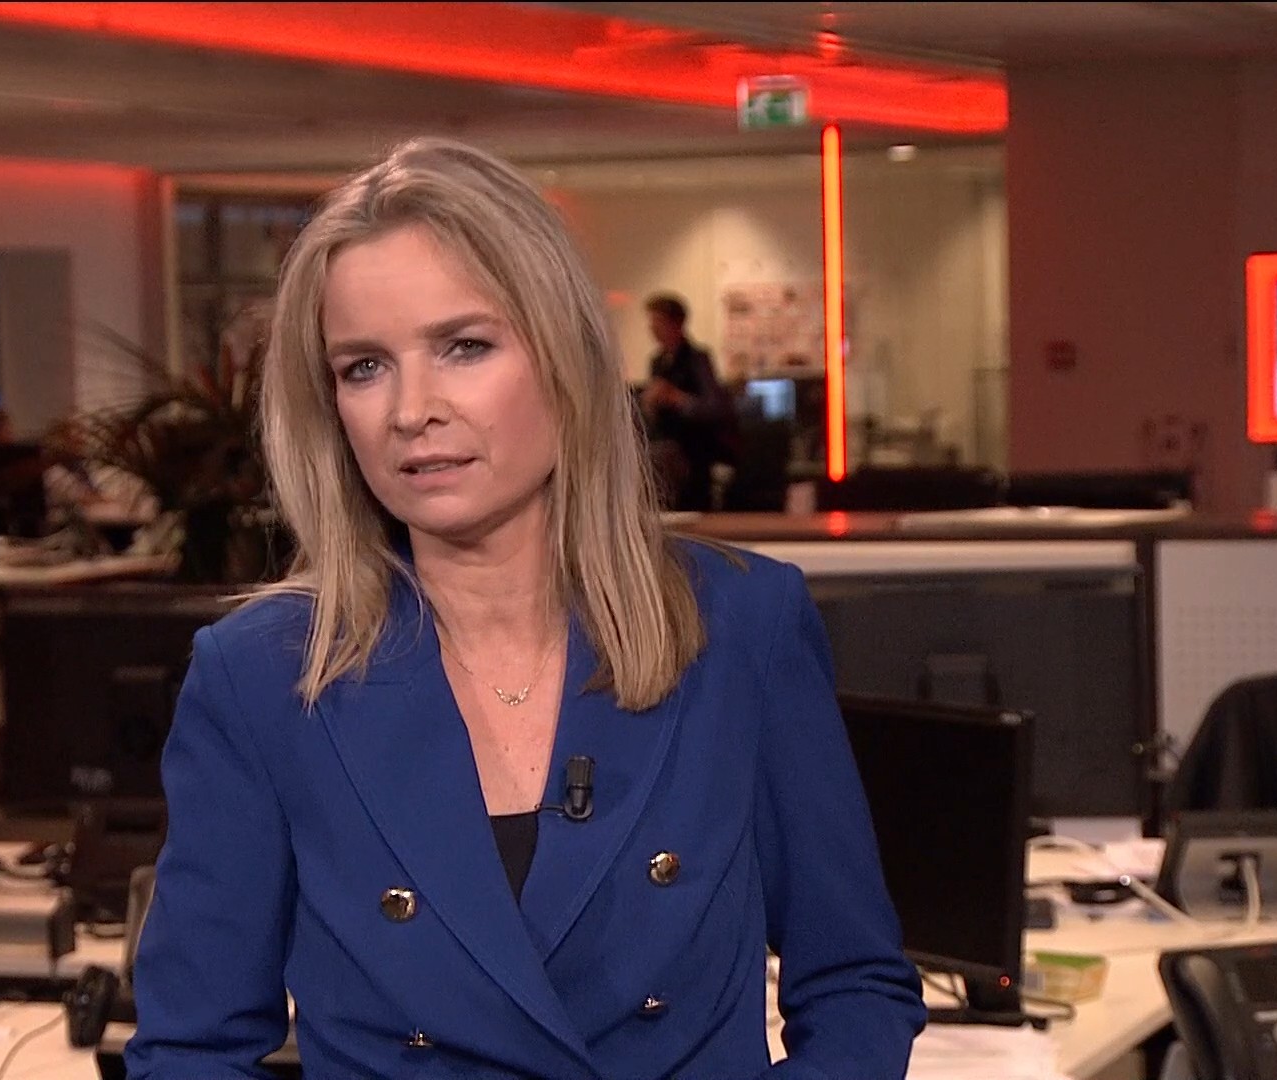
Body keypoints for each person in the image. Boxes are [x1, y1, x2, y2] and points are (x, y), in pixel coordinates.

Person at [124, 138, 925, 1079]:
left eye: (463, 347)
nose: (411, 410)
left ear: (563, 356)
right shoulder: (262, 675)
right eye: (364, 367)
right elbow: (191, 1047)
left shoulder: (741, 624)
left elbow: (854, 983)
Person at [640, 294, 729, 511]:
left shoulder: (697, 359)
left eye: (658, 321)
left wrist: (676, 398)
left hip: (694, 454)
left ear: (675, 323)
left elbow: (714, 407)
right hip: (666, 454)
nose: (652, 328)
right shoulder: (657, 361)